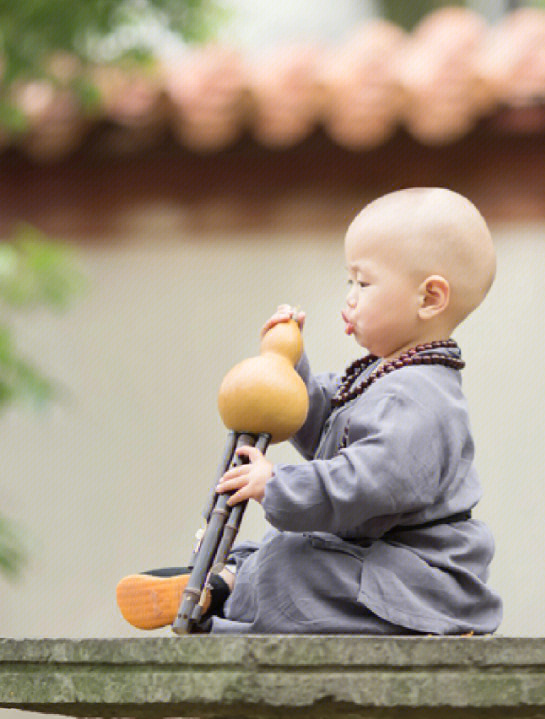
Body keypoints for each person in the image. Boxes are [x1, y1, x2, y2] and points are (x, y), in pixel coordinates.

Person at [117, 187, 502, 635]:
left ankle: (222, 602)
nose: (350, 297)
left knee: (289, 565)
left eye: (363, 282)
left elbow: (369, 485)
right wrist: (289, 372)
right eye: (349, 282)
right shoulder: (385, 374)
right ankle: (224, 587)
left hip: (418, 581)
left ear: (429, 299)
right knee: (279, 548)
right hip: (376, 562)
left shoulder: (417, 396)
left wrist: (277, 483)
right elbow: (328, 422)